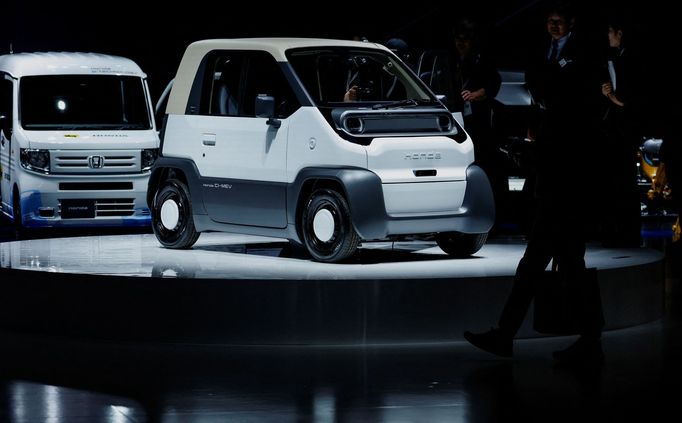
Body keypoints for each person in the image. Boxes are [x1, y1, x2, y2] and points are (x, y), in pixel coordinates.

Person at [463, 2, 605, 365]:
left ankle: (521, 337)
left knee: (557, 263)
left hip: (567, 182)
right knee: (555, 263)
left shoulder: (583, 58)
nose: (553, 25)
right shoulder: (548, 57)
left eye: (559, 20)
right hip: (557, 178)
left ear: (571, 22)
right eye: (550, 20)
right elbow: (542, 89)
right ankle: (519, 336)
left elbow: (563, 98)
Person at [450, 20, 505, 226]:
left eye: (464, 39)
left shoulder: (482, 61)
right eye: (457, 39)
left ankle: (492, 217)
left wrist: (475, 94)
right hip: (458, 120)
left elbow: (493, 84)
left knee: (484, 165)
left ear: (472, 41)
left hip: (480, 123)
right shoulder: (452, 60)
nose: (460, 43)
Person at [599, 16, 643, 247]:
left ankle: (625, 232)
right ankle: (623, 231)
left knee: (622, 181)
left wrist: (611, 95)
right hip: (621, 128)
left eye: (610, 32)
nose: (608, 36)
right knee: (621, 180)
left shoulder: (629, 59)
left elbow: (628, 99)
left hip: (624, 129)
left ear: (619, 33)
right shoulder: (620, 57)